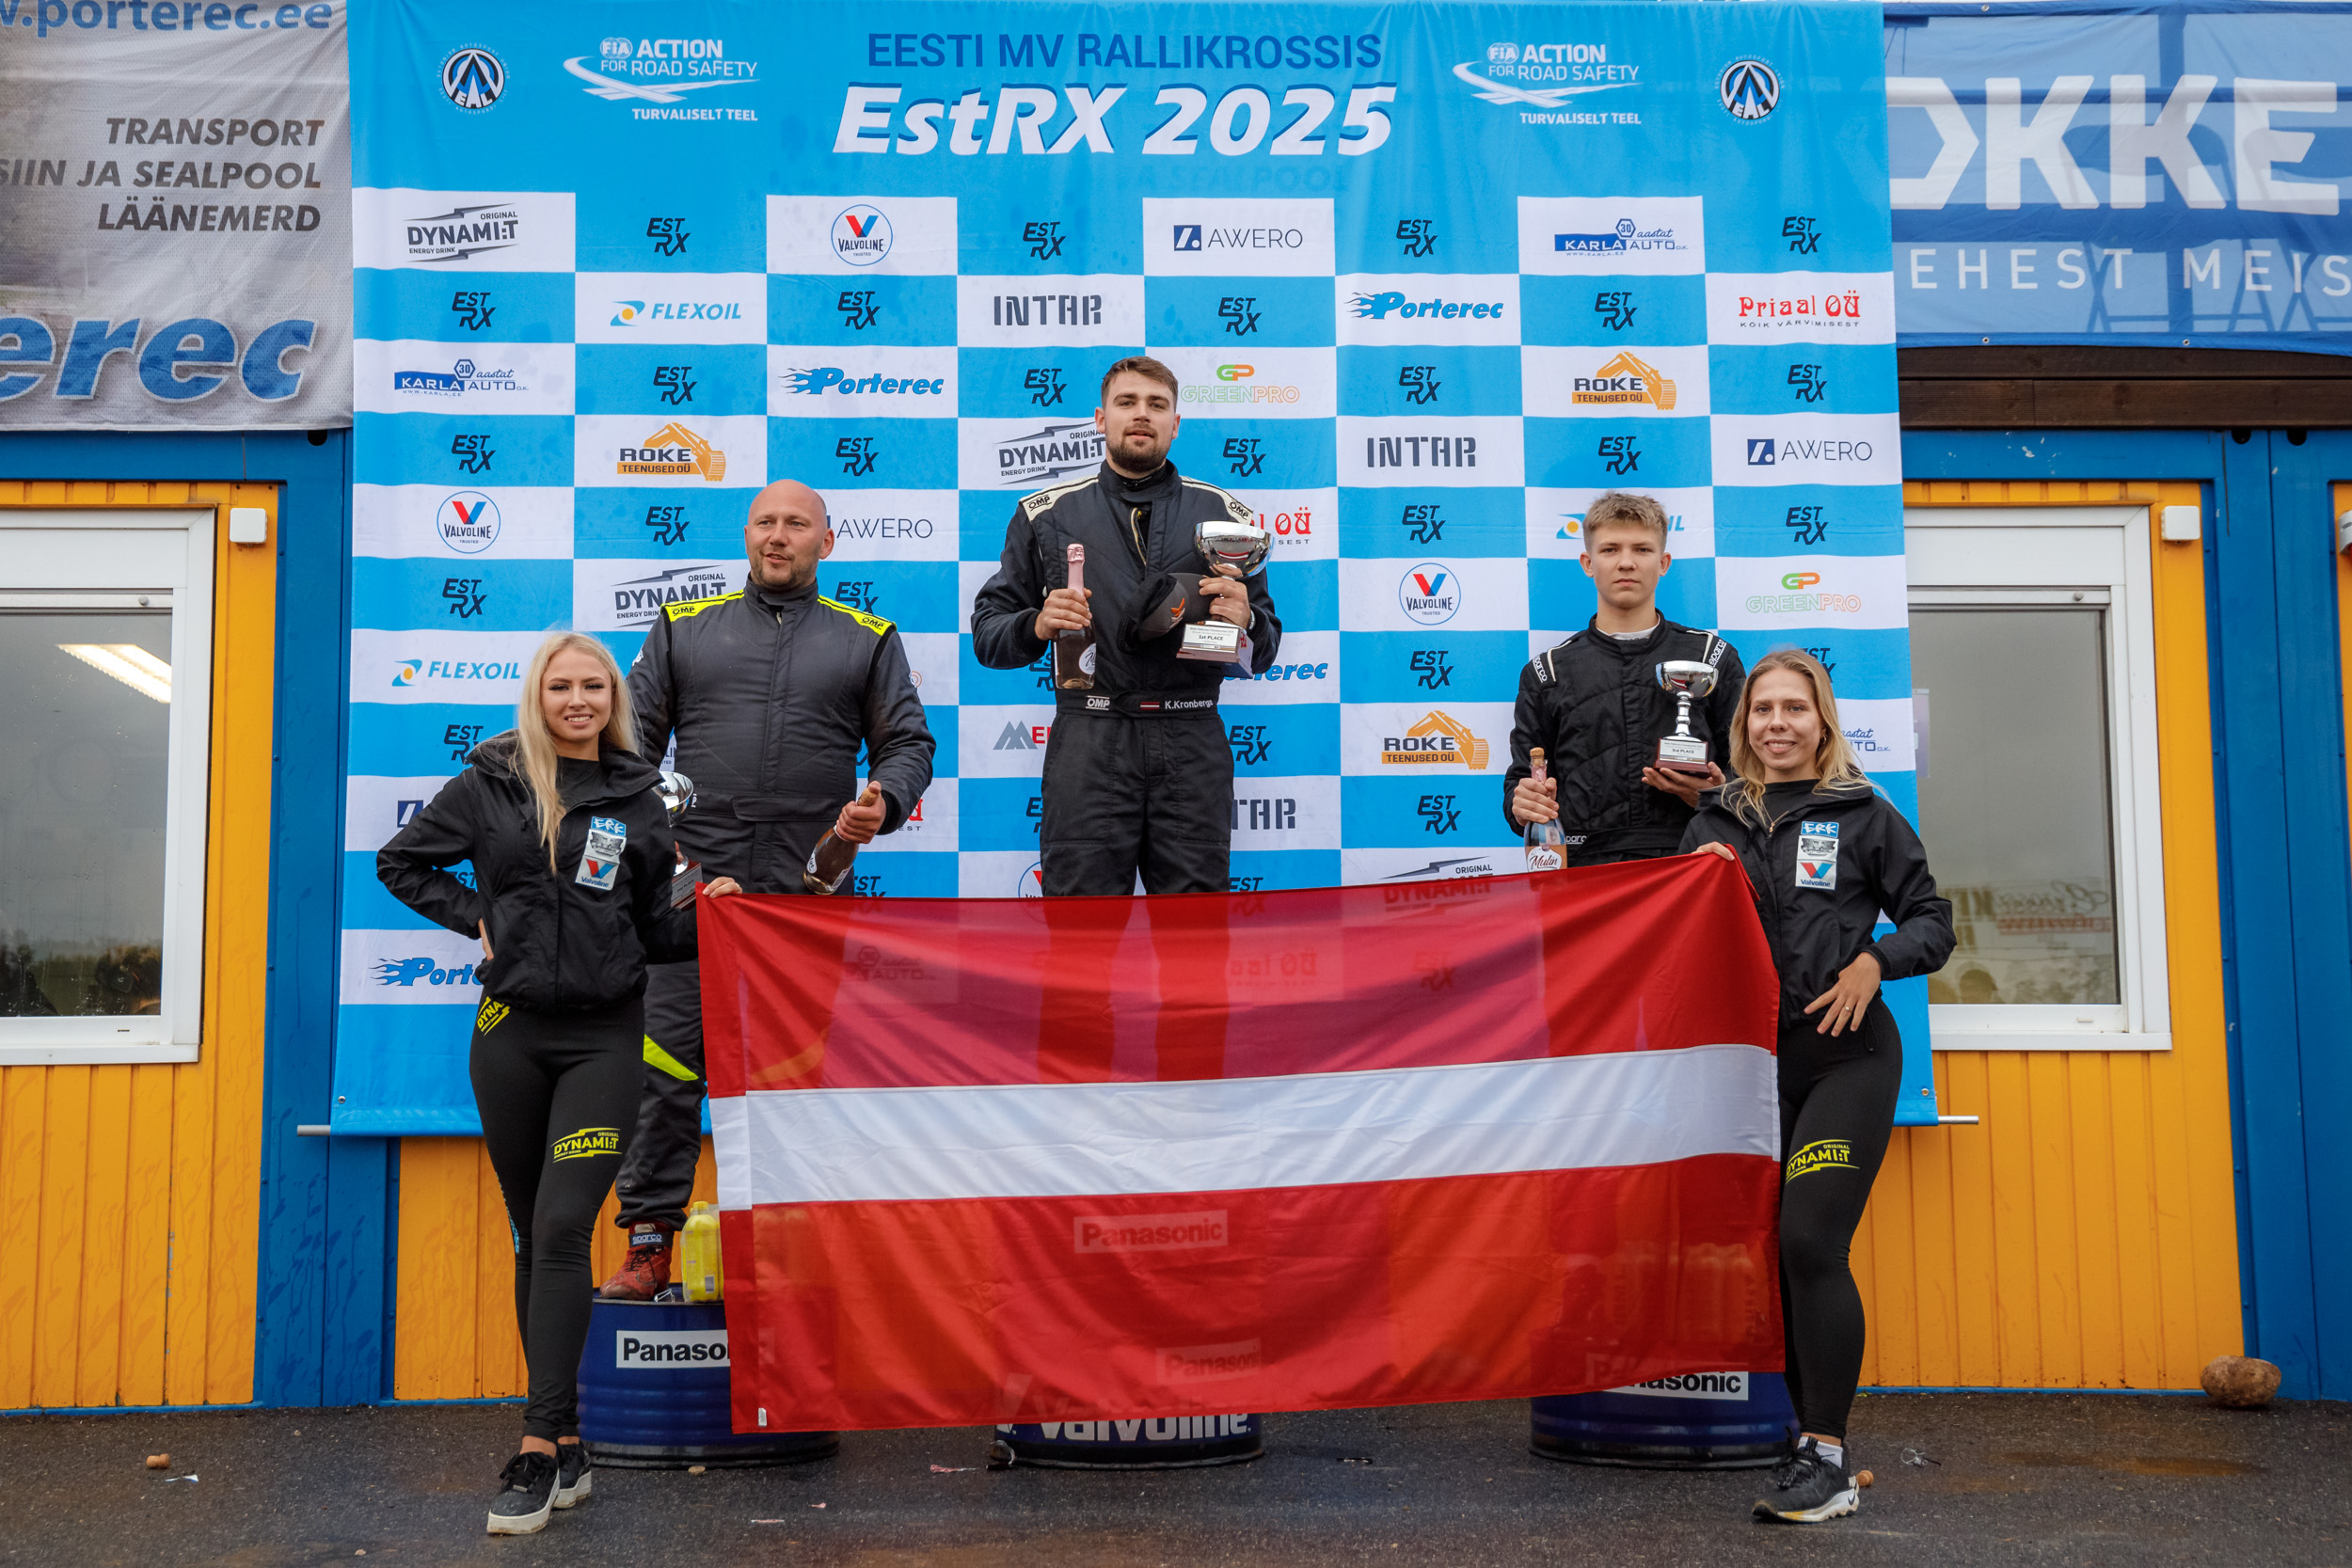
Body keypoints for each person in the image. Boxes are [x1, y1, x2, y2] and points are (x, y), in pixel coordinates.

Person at [377, 631, 741, 1535]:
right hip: (507, 1035)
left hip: (604, 1039)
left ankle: (537, 1448)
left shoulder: (640, 797)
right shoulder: (490, 783)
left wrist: (715, 916)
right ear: (536, 697)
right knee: (531, 1238)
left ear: (614, 699)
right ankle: (570, 1439)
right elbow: (399, 862)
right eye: (560, 686)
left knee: (563, 1223)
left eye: (593, 686)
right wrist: (477, 917)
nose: (577, 700)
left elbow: (654, 929)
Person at [598, 477, 935, 1299]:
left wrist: (884, 800)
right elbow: (628, 750)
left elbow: (909, 743)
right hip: (688, 892)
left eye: (795, 524)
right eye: (763, 523)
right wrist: (670, 857)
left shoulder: (868, 637)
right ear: (746, 535)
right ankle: (650, 1243)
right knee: (665, 1073)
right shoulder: (682, 626)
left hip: (805, 893)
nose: (777, 536)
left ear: (828, 541)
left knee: (794, 1082)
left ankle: (784, 1249)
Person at [1680, 649, 1955, 1525]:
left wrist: (1876, 961)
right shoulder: (1712, 823)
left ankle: (1829, 1457)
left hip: (1847, 1056)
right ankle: (1809, 1445)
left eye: (1795, 708)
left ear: (1822, 721)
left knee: (1810, 1242)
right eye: (1763, 709)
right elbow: (1679, 944)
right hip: (1754, 1066)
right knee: (1773, 1253)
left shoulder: (1866, 813)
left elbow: (1934, 922)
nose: (1778, 723)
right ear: (1744, 722)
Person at [970, 355, 1280, 895]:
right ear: (1100, 418)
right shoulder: (1045, 514)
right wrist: (1036, 624)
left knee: (1192, 934)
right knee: (1081, 932)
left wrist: (1247, 619)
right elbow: (987, 636)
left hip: (1191, 740)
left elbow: (1266, 648)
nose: (1142, 414)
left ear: (1175, 424)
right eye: (1127, 402)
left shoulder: (1226, 517)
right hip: (1089, 741)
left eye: (1157, 405)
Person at [1503, 490, 1744, 867]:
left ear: (1663, 563)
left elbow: (1752, 772)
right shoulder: (1547, 672)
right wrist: (1522, 803)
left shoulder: (1712, 659)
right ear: (1588, 563)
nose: (1626, 562)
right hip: (1586, 872)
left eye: (1642, 550)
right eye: (1610, 549)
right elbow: (1522, 782)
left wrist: (1716, 796)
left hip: (1692, 861)